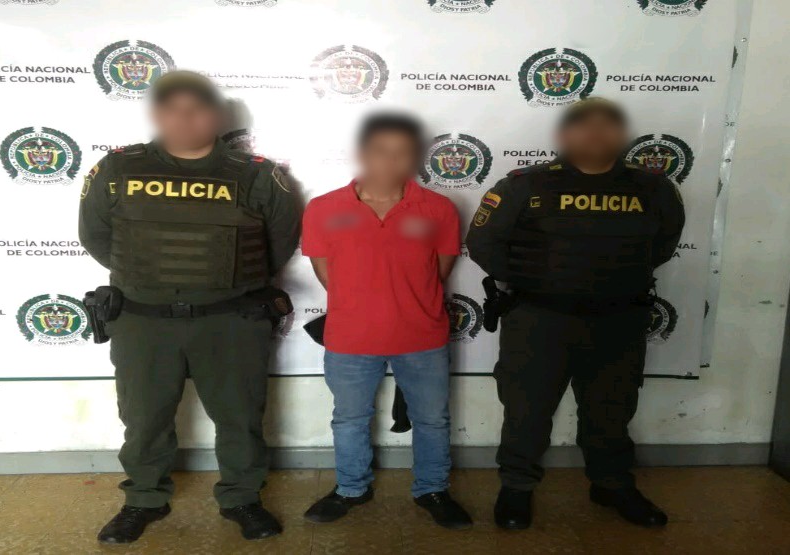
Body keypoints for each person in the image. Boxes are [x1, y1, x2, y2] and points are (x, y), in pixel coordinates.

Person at [78, 71, 301, 543]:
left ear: (217, 116)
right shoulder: (117, 169)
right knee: (144, 419)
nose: (185, 119)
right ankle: (143, 499)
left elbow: (277, 245)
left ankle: (243, 498)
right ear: (156, 114)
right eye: (173, 109)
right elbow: (96, 237)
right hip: (143, 320)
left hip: (231, 319)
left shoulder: (257, 175)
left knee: (240, 417)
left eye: (197, 109)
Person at [466, 97, 685, 530]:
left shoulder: (654, 188)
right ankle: (517, 487)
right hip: (539, 320)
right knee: (527, 410)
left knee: (612, 409)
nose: (596, 133)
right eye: (584, 125)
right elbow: (483, 245)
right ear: (564, 134)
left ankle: (611, 484)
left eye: (607, 125)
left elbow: (662, 245)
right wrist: (538, 282)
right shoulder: (524, 185)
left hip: (619, 320)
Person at [300, 113, 472, 530]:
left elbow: (439, 271)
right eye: (380, 151)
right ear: (362, 153)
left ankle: (432, 489)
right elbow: (326, 274)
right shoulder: (324, 208)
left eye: (402, 152)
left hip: (422, 336)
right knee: (349, 419)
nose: (390, 161)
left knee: (432, 420)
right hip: (350, 338)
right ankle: (350, 489)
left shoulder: (438, 209)